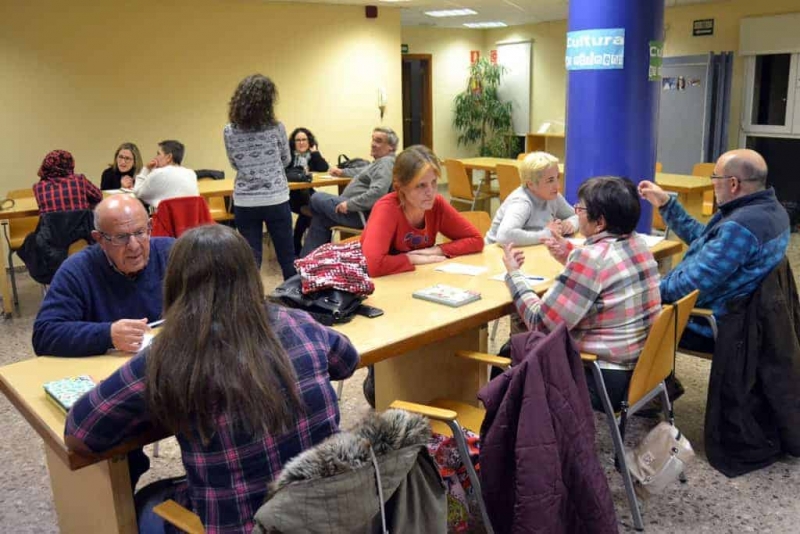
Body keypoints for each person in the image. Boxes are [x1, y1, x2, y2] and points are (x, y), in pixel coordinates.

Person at [64, 224, 359, 534]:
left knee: (147, 501)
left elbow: (80, 433)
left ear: (176, 284)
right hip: (328, 512)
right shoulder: (298, 322)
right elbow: (347, 361)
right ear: (250, 275)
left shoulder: (166, 356)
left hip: (249, 525)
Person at [502, 176, 661, 411]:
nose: (576, 213)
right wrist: (569, 254)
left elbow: (540, 323)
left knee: (506, 355)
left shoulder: (590, 259)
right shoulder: (638, 244)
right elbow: (607, 273)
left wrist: (515, 276)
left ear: (600, 222)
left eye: (581, 208)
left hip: (600, 378)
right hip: (641, 369)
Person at [638, 148, 790, 354]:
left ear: (733, 184)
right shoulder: (771, 211)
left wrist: (641, 293)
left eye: (715, 177)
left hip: (708, 324)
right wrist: (666, 205)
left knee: (624, 318)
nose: (712, 183)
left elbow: (690, 286)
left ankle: (637, 382)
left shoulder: (741, 228)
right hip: (739, 315)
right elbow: (706, 239)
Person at [32, 194, 174, 357]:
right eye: (121, 237)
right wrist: (108, 334)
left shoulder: (171, 253)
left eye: (140, 232)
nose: (134, 246)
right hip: (108, 370)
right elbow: (44, 334)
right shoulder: (77, 270)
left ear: (150, 227)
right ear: (99, 239)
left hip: (166, 360)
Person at [360, 144, 484, 277]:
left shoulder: (436, 204)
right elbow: (372, 265)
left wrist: (436, 250)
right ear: (399, 187)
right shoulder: (386, 209)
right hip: (380, 287)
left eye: (434, 182)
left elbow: (476, 240)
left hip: (416, 279)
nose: (430, 192)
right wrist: (412, 259)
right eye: (421, 185)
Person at [224, 74, 296, 279]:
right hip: (276, 198)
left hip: (245, 201)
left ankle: (251, 304)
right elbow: (286, 159)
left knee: (250, 261)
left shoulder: (230, 131)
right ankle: (293, 302)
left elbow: (234, 163)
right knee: (287, 256)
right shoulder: (277, 128)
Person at [300, 127, 398, 256]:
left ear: (391, 147)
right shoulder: (380, 163)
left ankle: (313, 210)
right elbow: (363, 171)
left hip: (359, 213)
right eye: (373, 139)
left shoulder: (385, 163)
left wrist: (350, 204)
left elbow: (378, 192)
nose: (373, 144)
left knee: (316, 197)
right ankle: (308, 261)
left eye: (379, 141)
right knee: (321, 218)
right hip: (355, 211)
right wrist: (342, 172)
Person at [485, 151, 577, 245]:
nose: (557, 186)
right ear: (531, 184)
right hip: (494, 255)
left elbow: (578, 215)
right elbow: (504, 236)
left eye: (557, 177)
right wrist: (547, 234)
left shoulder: (553, 196)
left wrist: (571, 224)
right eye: (550, 181)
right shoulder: (521, 202)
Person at [288, 127, 330, 255]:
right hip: (291, 196)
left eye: (304, 140)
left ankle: (300, 241)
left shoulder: (312, 156)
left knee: (321, 207)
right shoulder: (288, 158)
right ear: (293, 143)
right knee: (311, 209)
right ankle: (299, 242)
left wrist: (315, 153)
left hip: (308, 193)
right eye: (298, 140)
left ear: (309, 141)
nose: (301, 143)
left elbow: (324, 168)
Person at [133, 140, 199, 209]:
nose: (155, 158)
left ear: (168, 157)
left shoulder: (158, 173)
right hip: (190, 219)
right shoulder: (191, 174)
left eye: (158, 154)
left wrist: (146, 169)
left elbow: (137, 192)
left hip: (167, 219)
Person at [32, 150, 103, 214]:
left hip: (51, 228)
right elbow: (98, 196)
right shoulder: (79, 180)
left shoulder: (38, 187)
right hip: (81, 227)